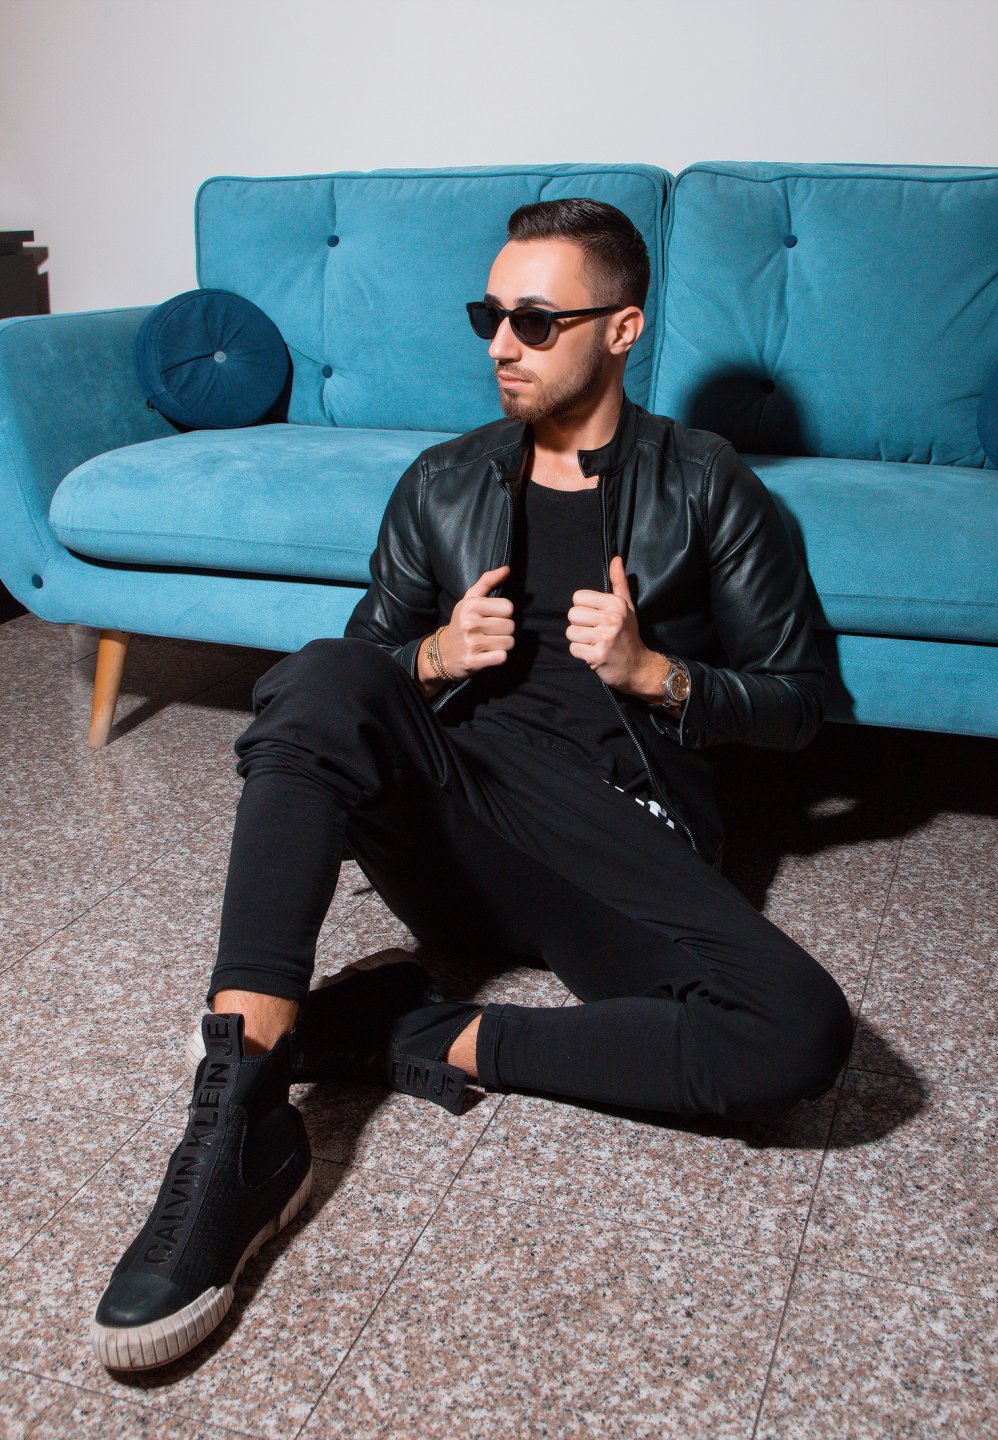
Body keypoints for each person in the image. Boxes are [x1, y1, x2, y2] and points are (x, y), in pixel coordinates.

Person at [91, 198, 854, 1371]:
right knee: (319, 673)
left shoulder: (707, 484)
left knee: (797, 1034)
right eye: (489, 315)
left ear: (623, 329)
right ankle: (243, 1104)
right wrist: (433, 659)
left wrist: (661, 677)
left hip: (617, 838)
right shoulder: (443, 480)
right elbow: (349, 684)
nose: (502, 343)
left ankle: (410, 1029)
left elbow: (803, 701)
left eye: (536, 320)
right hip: (460, 823)